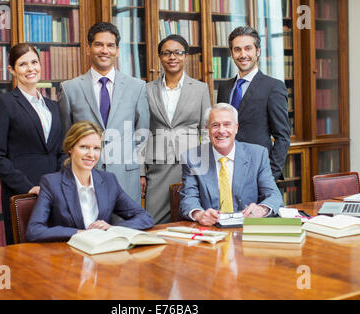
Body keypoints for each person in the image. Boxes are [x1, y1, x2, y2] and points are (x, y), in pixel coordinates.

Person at [58, 22, 149, 205]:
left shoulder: (136, 87)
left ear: (117, 50)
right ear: (88, 48)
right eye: (99, 44)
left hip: (126, 178)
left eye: (110, 45)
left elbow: (142, 133)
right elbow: (66, 138)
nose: (104, 50)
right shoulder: (70, 89)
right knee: (90, 232)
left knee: (126, 231)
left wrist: (140, 172)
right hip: (84, 177)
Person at [0, 43, 65, 244]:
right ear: (12, 70)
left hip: (55, 193)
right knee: (26, 258)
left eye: (34, 62)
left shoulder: (54, 107)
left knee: (58, 254)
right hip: (23, 194)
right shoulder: (4, 103)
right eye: (23, 64)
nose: (31, 69)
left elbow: (62, 151)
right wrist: (28, 187)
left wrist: (58, 183)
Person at [26, 121, 154, 242]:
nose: (91, 154)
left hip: (103, 253)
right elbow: (34, 230)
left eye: (96, 148)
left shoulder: (109, 181)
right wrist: (78, 233)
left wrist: (112, 228)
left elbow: (145, 218)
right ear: (70, 148)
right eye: (84, 147)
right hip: (68, 255)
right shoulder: (51, 183)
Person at [143, 34, 211, 224]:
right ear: (159, 57)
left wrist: (204, 164)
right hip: (158, 165)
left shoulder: (200, 88)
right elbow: (140, 131)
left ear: (185, 56)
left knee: (190, 217)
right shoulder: (147, 89)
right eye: (166, 53)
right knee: (153, 221)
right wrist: (141, 170)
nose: (172, 57)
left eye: (177, 52)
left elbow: (206, 130)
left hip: (191, 164)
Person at [179, 103, 283, 226]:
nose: (221, 131)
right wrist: (199, 214)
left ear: (236, 128)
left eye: (227, 124)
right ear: (207, 129)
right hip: (212, 231)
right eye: (215, 125)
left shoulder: (257, 154)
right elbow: (188, 198)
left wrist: (261, 210)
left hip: (248, 229)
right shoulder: (192, 158)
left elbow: (274, 195)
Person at [217, 26, 290, 181]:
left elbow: (282, 137)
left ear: (258, 51)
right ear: (232, 53)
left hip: (259, 173)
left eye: (248, 48)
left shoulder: (273, 87)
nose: (243, 54)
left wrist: (269, 175)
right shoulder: (225, 88)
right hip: (226, 171)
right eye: (237, 49)